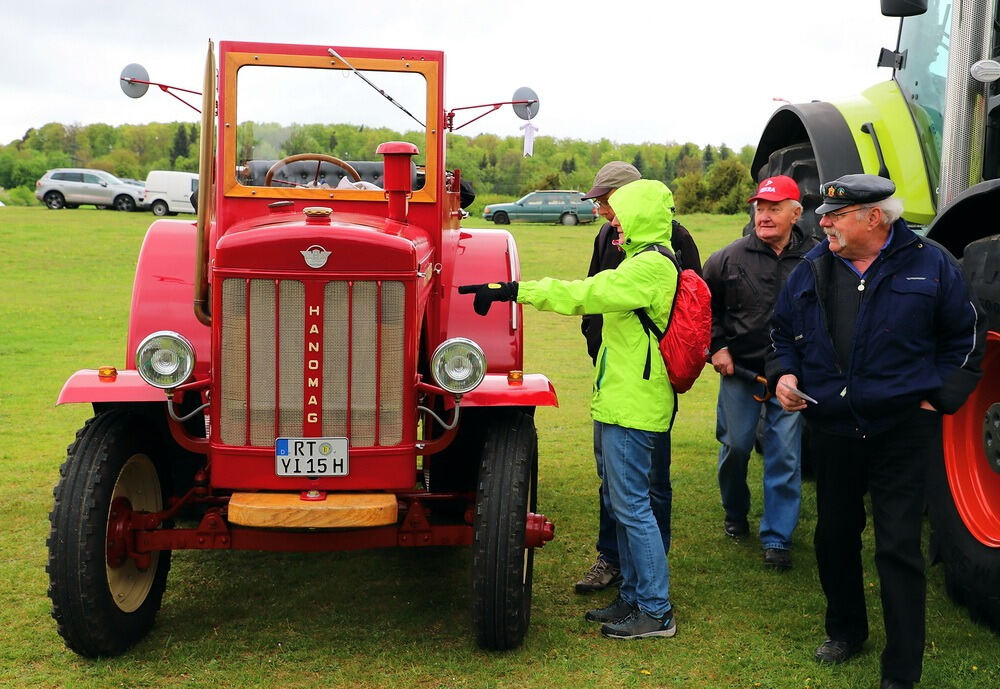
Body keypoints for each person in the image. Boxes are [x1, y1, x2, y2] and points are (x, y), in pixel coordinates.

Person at [768, 174, 985, 689]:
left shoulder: (932, 263)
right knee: (834, 537)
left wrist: (936, 400)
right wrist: (784, 374)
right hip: (833, 427)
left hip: (903, 430)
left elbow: (966, 339)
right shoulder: (813, 267)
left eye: (835, 215)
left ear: (874, 217)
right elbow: (780, 332)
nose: (822, 222)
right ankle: (845, 629)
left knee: (898, 547)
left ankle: (902, 666)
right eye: (824, 214)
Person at [460, 179, 679, 639]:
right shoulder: (639, 262)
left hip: (634, 407)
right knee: (623, 504)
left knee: (634, 507)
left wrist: (513, 289)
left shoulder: (651, 268)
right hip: (619, 401)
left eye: (618, 212)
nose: (611, 220)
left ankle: (656, 611)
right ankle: (634, 598)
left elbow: (582, 295)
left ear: (640, 215)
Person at [575, 161, 702, 593]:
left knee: (649, 484)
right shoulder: (606, 236)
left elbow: (690, 310)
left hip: (648, 383)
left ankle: (651, 572)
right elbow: (596, 289)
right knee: (611, 479)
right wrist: (597, 343)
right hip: (614, 376)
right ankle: (613, 560)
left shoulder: (674, 239)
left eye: (605, 200)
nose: (600, 209)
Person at [702, 175, 817, 570]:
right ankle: (735, 512)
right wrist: (716, 346)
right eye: (760, 208)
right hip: (742, 372)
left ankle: (778, 538)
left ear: (796, 212)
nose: (764, 216)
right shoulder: (726, 258)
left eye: (774, 208)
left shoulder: (818, 260)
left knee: (785, 455)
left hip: (792, 378)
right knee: (735, 447)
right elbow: (703, 308)